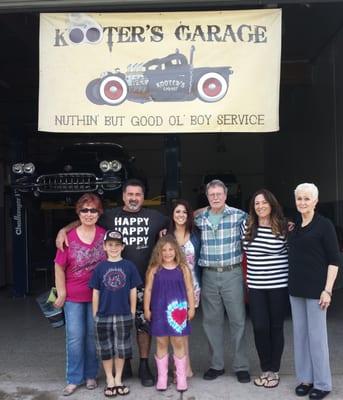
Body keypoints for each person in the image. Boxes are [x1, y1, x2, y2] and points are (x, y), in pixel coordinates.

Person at [56, 179, 169, 386]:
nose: (134, 198)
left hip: (142, 282)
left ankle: (144, 365)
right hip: (112, 284)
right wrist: (64, 229)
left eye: (138, 194)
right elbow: (86, 218)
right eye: (130, 194)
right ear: (123, 196)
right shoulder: (109, 216)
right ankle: (124, 363)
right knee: (118, 324)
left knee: (142, 326)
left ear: (144, 198)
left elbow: (184, 218)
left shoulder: (156, 218)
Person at [194, 179, 250, 383]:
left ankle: (241, 366)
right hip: (208, 274)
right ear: (207, 197)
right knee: (211, 322)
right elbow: (180, 220)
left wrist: (286, 223)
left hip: (232, 273)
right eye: (212, 195)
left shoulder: (239, 216)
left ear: (226, 195)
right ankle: (216, 365)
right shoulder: (199, 218)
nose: (216, 197)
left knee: (238, 321)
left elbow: (263, 220)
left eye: (219, 194)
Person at [288, 183, 340, 400]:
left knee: (317, 338)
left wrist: (328, 290)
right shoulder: (295, 225)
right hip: (296, 289)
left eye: (307, 199)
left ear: (316, 201)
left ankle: (322, 383)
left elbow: (334, 261)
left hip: (317, 291)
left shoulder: (324, 225)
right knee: (300, 336)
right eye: (299, 198)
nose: (302, 202)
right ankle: (306, 379)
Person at [54, 193, 106, 396]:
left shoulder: (105, 235)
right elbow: (59, 266)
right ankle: (74, 378)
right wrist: (62, 292)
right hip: (73, 297)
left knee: (93, 337)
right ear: (78, 212)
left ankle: (91, 375)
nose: (89, 213)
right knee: (75, 337)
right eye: (84, 210)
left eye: (93, 210)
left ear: (99, 213)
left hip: (97, 297)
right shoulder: (68, 237)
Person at [240, 189, 289, 388]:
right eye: (256, 203)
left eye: (264, 203)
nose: (260, 206)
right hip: (256, 286)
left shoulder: (284, 226)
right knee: (260, 328)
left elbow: (291, 252)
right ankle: (265, 369)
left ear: (272, 204)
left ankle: (274, 372)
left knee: (276, 328)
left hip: (278, 285)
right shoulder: (247, 225)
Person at [89, 229, 142, 397]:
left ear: (123, 247)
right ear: (104, 246)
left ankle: (118, 378)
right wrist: (95, 313)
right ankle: (109, 379)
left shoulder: (129, 266)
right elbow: (95, 292)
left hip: (123, 313)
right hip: (103, 315)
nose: (113, 248)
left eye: (117, 245)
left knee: (121, 348)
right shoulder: (100, 268)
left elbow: (133, 290)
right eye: (110, 245)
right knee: (105, 348)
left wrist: (132, 311)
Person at [144, 235, 195, 392]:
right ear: (158, 252)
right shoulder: (154, 269)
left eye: (171, 249)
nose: (167, 253)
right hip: (159, 309)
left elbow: (189, 289)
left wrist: (191, 307)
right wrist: (147, 308)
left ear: (176, 251)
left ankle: (180, 377)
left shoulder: (183, 268)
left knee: (178, 341)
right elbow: (148, 289)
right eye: (164, 250)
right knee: (161, 342)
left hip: (178, 310)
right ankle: (162, 377)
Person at [168, 199, 201, 377]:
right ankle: (181, 369)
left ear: (189, 215)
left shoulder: (195, 234)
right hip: (171, 287)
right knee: (175, 328)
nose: (181, 215)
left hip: (191, 286)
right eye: (177, 212)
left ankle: (184, 367)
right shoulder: (166, 235)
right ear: (172, 215)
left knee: (183, 327)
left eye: (184, 212)